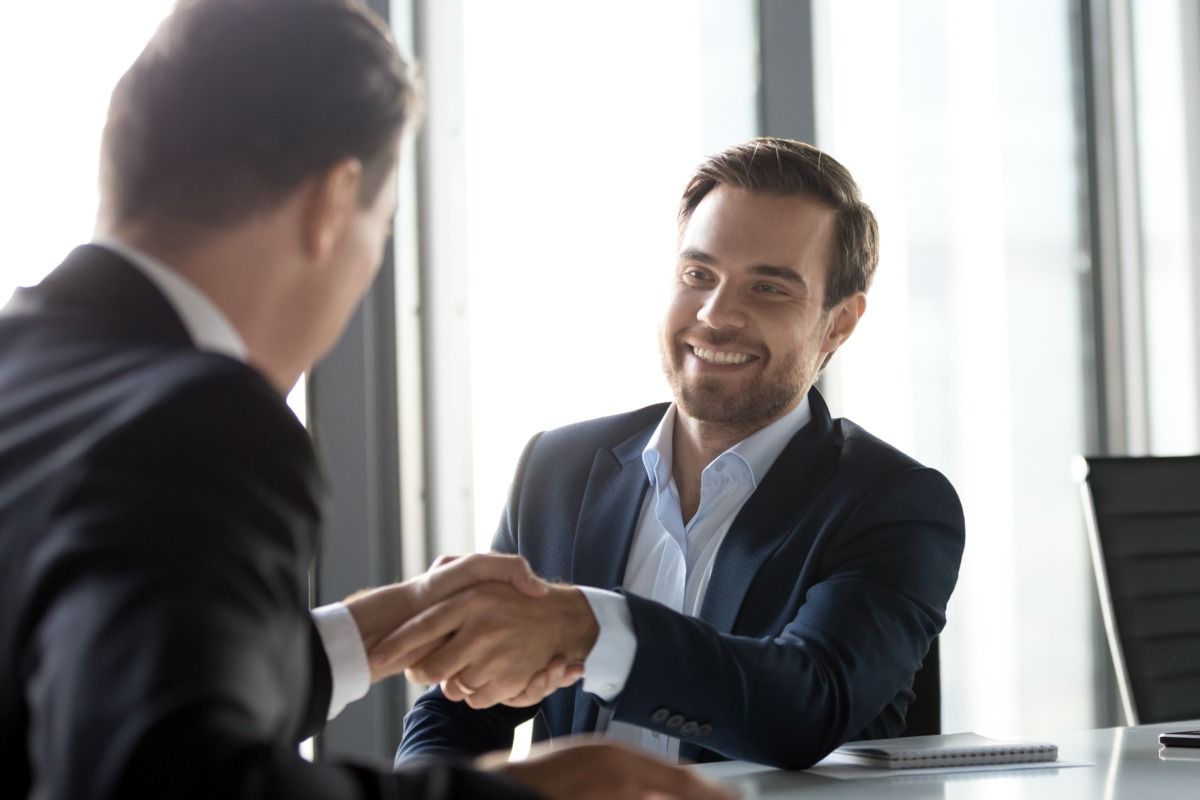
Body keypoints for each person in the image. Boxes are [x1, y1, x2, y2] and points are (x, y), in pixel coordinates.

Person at [0, 1, 733, 798]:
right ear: (329, 204)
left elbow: (96, 688)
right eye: (380, 228)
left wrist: (373, 633)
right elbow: (165, 780)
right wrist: (535, 794)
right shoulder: (201, 420)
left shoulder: (25, 367)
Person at [394, 137, 967, 771]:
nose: (716, 315)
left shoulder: (895, 504)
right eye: (698, 276)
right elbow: (457, 709)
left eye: (769, 289)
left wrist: (590, 629)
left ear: (838, 324)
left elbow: (805, 705)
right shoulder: (557, 471)